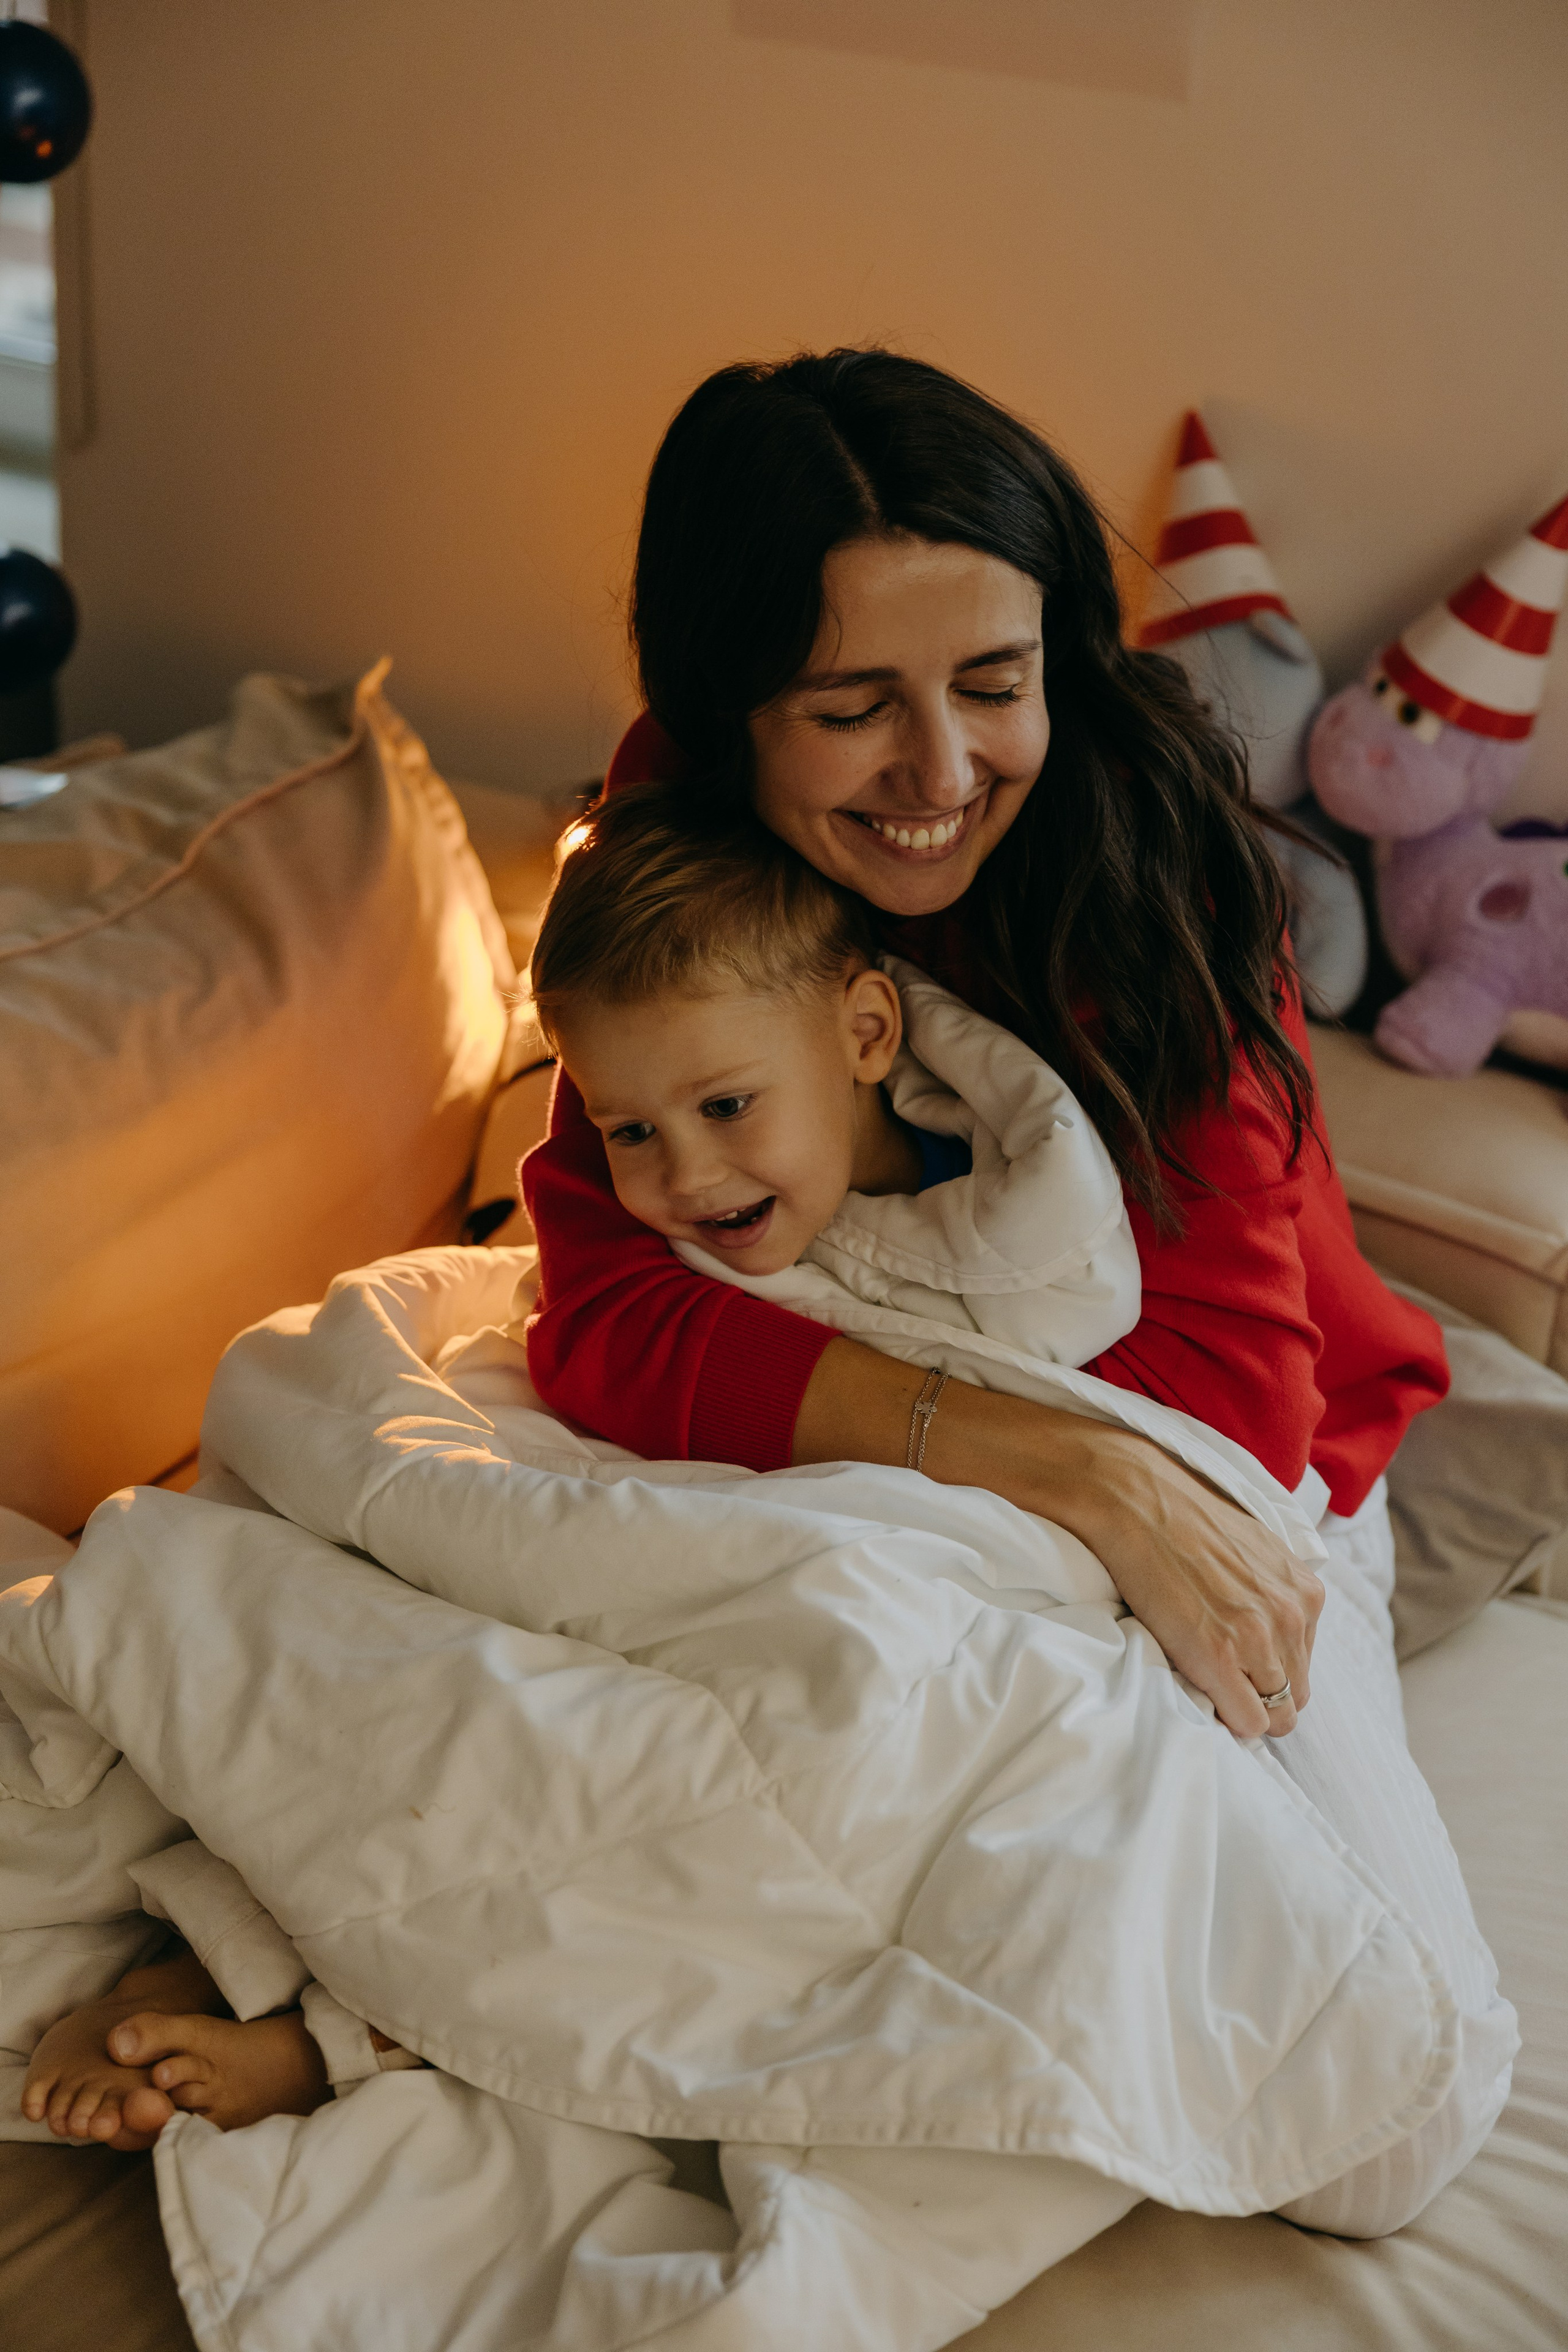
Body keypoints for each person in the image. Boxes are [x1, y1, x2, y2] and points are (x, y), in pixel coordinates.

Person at [516, 349, 1513, 2235]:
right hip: (965, 1440)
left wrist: (1100, 1482)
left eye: (993, 682)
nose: (941, 771)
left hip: (1237, 1451)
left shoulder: (1161, 870)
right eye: (849, 707)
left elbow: (1226, 1405)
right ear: (723, 709)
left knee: (1376, 2136)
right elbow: (598, 1309)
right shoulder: (667, 832)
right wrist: (1038, 1464)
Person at [527, 778, 1142, 1371]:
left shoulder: (1009, 1195)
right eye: (631, 1132)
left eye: (725, 1107)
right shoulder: (663, 1262)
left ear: (867, 1034)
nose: (688, 1178)